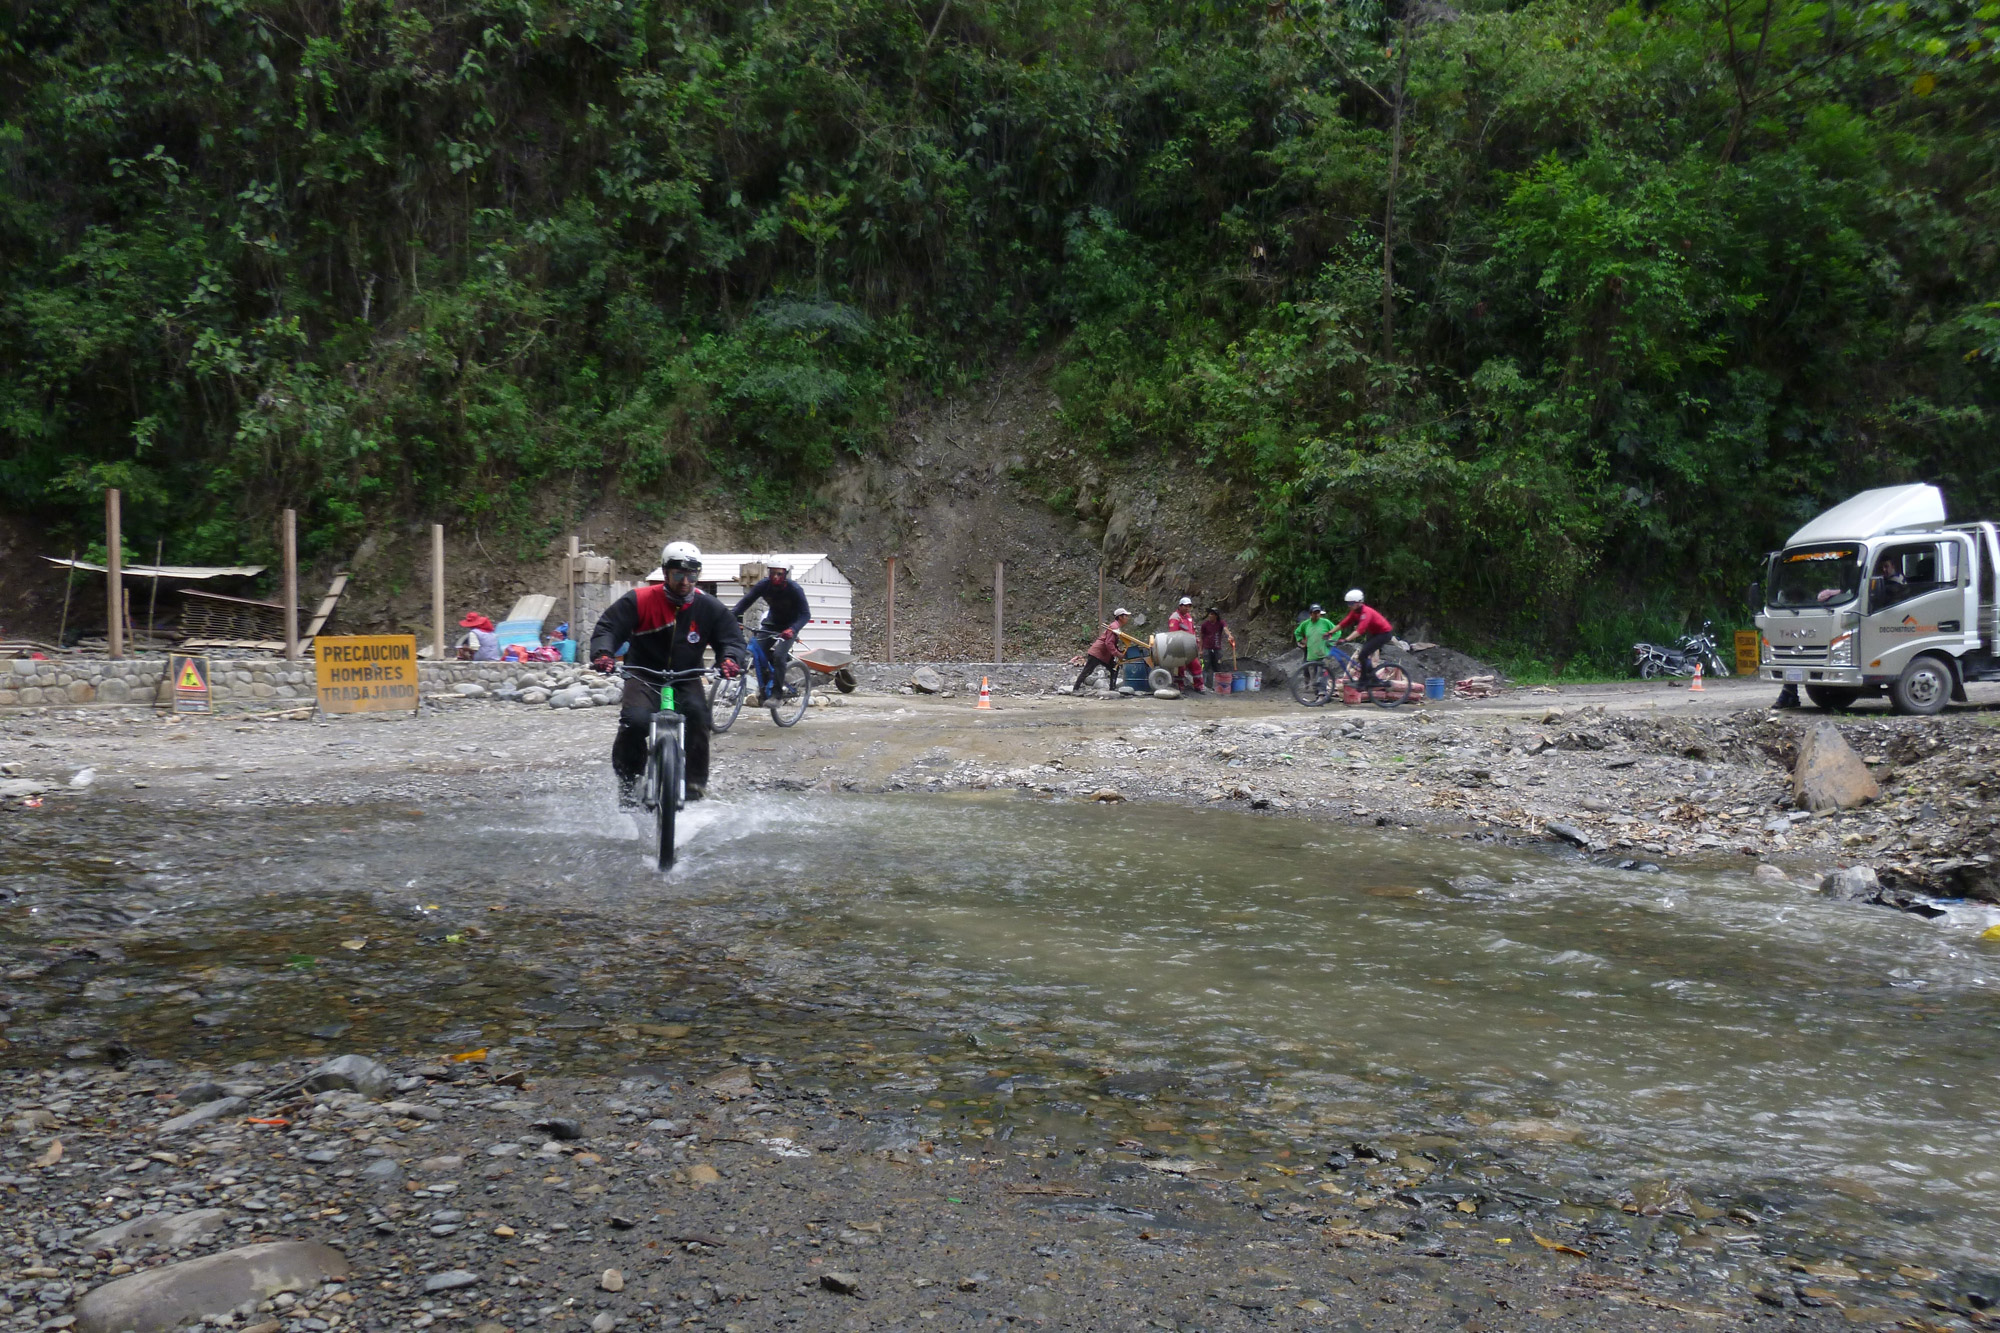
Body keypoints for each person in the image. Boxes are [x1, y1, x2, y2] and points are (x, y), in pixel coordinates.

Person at [589, 541, 745, 806]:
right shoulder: (640, 600)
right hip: (642, 674)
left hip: (686, 675)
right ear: (665, 573)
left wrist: (730, 659)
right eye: (678, 574)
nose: (685, 581)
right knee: (634, 722)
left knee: (698, 716)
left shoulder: (710, 608)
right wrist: (603, 653)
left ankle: (694, 784)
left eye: (692, 575)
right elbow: (608, 628)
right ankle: (628, 781)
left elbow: (731, 639)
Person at [732, 561, 812, 697]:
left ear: (785, 575)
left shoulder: (795, 589)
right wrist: (730, 617)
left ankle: (777, 694)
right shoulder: (764, 585)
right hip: (771, 623)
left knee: (779, 655)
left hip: (790, 627)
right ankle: (765, 687)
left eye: (779, 574)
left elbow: (806, 614)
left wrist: (793, 629)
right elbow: (746, 602)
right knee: (755, 651)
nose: (775, 577)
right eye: (772, 573)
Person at [1333, 589, 1394, 687]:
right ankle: (1374, 679)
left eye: (1351, 603)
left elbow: (1360, 630)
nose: (1349, 606)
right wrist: (1330, 632)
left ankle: (1363, 681)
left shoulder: (1366, 612)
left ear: (1359, 603)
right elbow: (1344, 623)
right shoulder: (1355, 612)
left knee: (1362, 655)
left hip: (1383, 634)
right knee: (1363, 655)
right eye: (1348, 603)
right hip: (1374, 633)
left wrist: (1346, 639)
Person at [1072, 608, 1130, 693]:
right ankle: (1075, 689)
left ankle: (1112, 689)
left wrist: (1118, 652)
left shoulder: (1116, 626)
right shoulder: (1114, 627)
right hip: (1098, 653)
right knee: (1087, 671)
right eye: (1126, 616)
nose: (1127, 618)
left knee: (1114, 668)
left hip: (1103, 654)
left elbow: (1112, 643)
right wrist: (1118, 654)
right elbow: (1109, 643)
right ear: (1120, 617)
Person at [1166, 596, 1204, 692]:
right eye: (1185, 606)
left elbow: (1192, 630)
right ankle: (1180, 686)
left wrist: (1195, 640)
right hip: (1180, 646)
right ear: (1180, 606)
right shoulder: (1175, 617)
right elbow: (1173, 634)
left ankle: (1199, 686)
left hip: (1190, 646)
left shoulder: (1189, 617)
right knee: (1180, 668)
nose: (1187, 608)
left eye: (1189, 606)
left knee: (1196, 665)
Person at [1294, 602, 1339, 675]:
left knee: (1322, 675)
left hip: (1324, 653)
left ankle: (1322, 684)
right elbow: (1297, 632)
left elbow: (1337, 631)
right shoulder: (1306, 624)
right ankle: (1309, 685)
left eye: (1318, 612)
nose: (1317, 614)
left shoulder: (1325, 622)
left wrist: (1331, 641)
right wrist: (1302, 641)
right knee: (1312, 675)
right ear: (1310, 614)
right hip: (1311, 654)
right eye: (1315, 613)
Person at [1199, 607, 1236, 684]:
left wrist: (1229, 635)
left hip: (1217, 649)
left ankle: (1217, 685)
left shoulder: (1221, 623)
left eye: (1212, 614)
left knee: (1218, 667)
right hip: (1206, 649)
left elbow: (1225, 629)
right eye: (1209, 614)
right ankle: (1204, 685)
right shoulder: (1205, 625)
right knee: (1205, 667)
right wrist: (1200, 650)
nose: (1209, 615)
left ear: (1216, 616)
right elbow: (1201, 638)